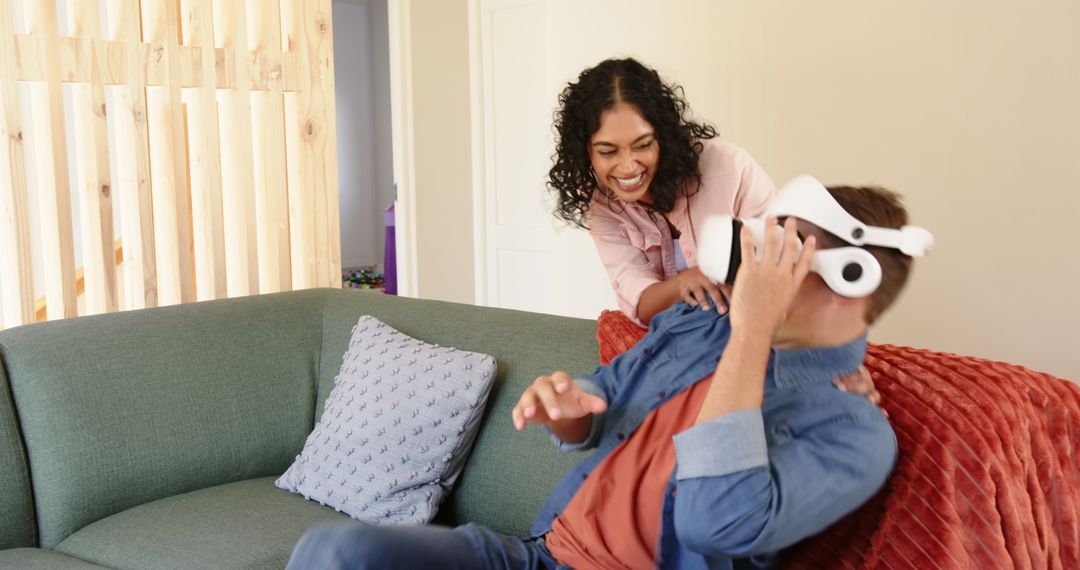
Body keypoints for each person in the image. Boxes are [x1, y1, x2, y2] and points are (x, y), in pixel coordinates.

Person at [286, 182, 922, 569]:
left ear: (850, 283)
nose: (752, 261)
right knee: (334, 552)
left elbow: (714, 522)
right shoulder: (700, 323)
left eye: (783, 250)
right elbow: (606, 398)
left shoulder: (854, 432)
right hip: (544, 552)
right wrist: (568, 407)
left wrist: (754, 330)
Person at [548, 57, 775, 326]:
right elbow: (641, 304)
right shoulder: (602, 207)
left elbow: (781, 265)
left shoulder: (730, 169)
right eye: (608, 151)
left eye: (642, 145)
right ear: (585, 152)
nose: (628, 166)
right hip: (678, 334)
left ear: (662, 136)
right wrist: (685, 282)